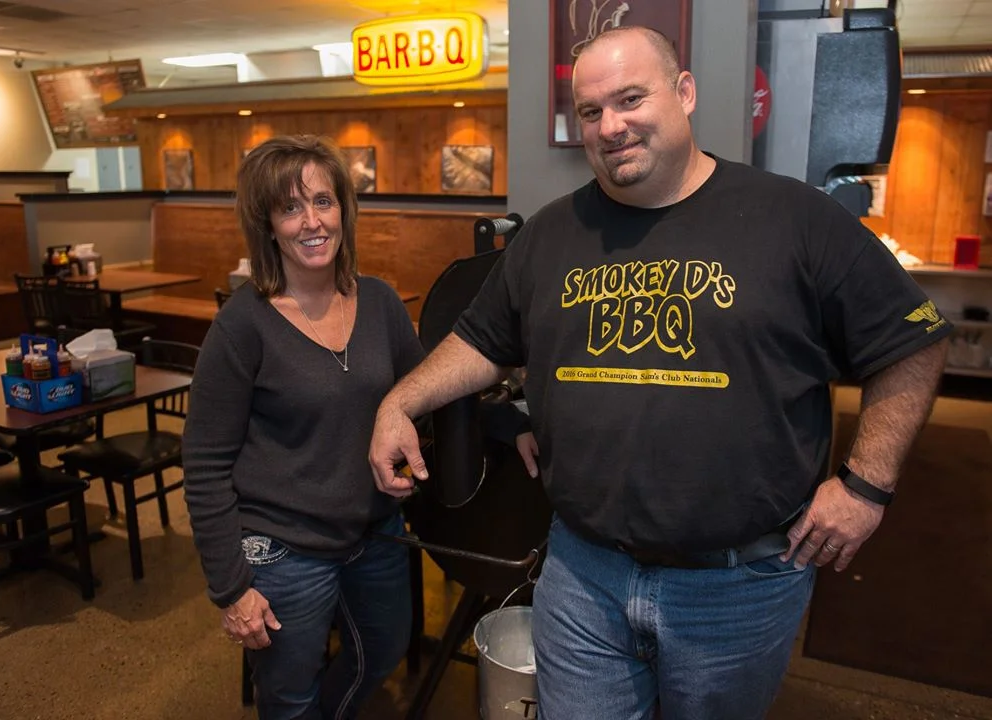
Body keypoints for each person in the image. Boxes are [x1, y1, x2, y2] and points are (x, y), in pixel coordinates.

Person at [368, 25, 951, 720]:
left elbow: (912, 342)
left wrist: (866, 487)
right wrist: (400, 402)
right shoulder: (549, 238)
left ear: (685, 93)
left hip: (737, 586)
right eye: (591, 111)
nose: (611, 126)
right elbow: (483, 340)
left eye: (631, 99)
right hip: (583, 572)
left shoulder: (793, 219)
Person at [183, 134, 423, 719]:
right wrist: (231, 588)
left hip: (375, 535)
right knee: (289, 695)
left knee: (384, 650)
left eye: (323, 201)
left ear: (345, 209)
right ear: (267, 224)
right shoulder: (244, 324)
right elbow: (205, 463)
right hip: (281, 549)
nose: (311, 221)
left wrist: (505, 423)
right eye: (290, 207)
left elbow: (425, 391)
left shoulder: (382, 302)